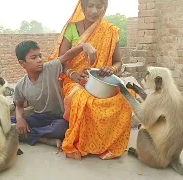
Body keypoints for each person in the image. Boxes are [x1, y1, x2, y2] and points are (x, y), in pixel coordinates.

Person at [47, 0, 137, 160]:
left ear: (105, 7)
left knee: (126, 97)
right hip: (74, 81)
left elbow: (118, 62)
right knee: (83, 99)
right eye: (90, 5)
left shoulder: (111, 31)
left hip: (101, 81)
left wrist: (112, 69)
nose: (95, 10)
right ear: (82, 7)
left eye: (99, 6)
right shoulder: (72, 28)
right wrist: (73, 74)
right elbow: (61, 60)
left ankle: (108, 144)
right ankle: (87, 144)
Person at [11, 40, 97, 150]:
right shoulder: (21, 85)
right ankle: (44, 139)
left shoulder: (49, 68)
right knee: (10, 124)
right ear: (22, 63)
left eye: (40, 56)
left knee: (61, 129)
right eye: (34, 58)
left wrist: (84, 46)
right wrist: (20, 119)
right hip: (38, 118)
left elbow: (66, 56)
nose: (39, 60)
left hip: (57, 118)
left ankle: (35, 137)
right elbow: (19, 106)